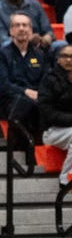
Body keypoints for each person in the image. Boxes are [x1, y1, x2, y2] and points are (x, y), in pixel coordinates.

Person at [0, 13, 47, 137]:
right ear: (11, 31)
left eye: (25, 25)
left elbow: (45, 80)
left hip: (37, 98)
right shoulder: (3, 54)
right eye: (17, 25)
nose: (22, 28)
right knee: (26, 103)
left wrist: (39, 94)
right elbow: (3, 84)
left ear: (31, 30)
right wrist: (25, 91)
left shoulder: (40, 54)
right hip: (11, 99)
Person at [39, 43, 72, 186]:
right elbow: (47, 113)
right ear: (58, 59)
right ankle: (66, 179)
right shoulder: (49, 79)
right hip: (53, 130)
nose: (69, 60)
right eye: (65, 56)